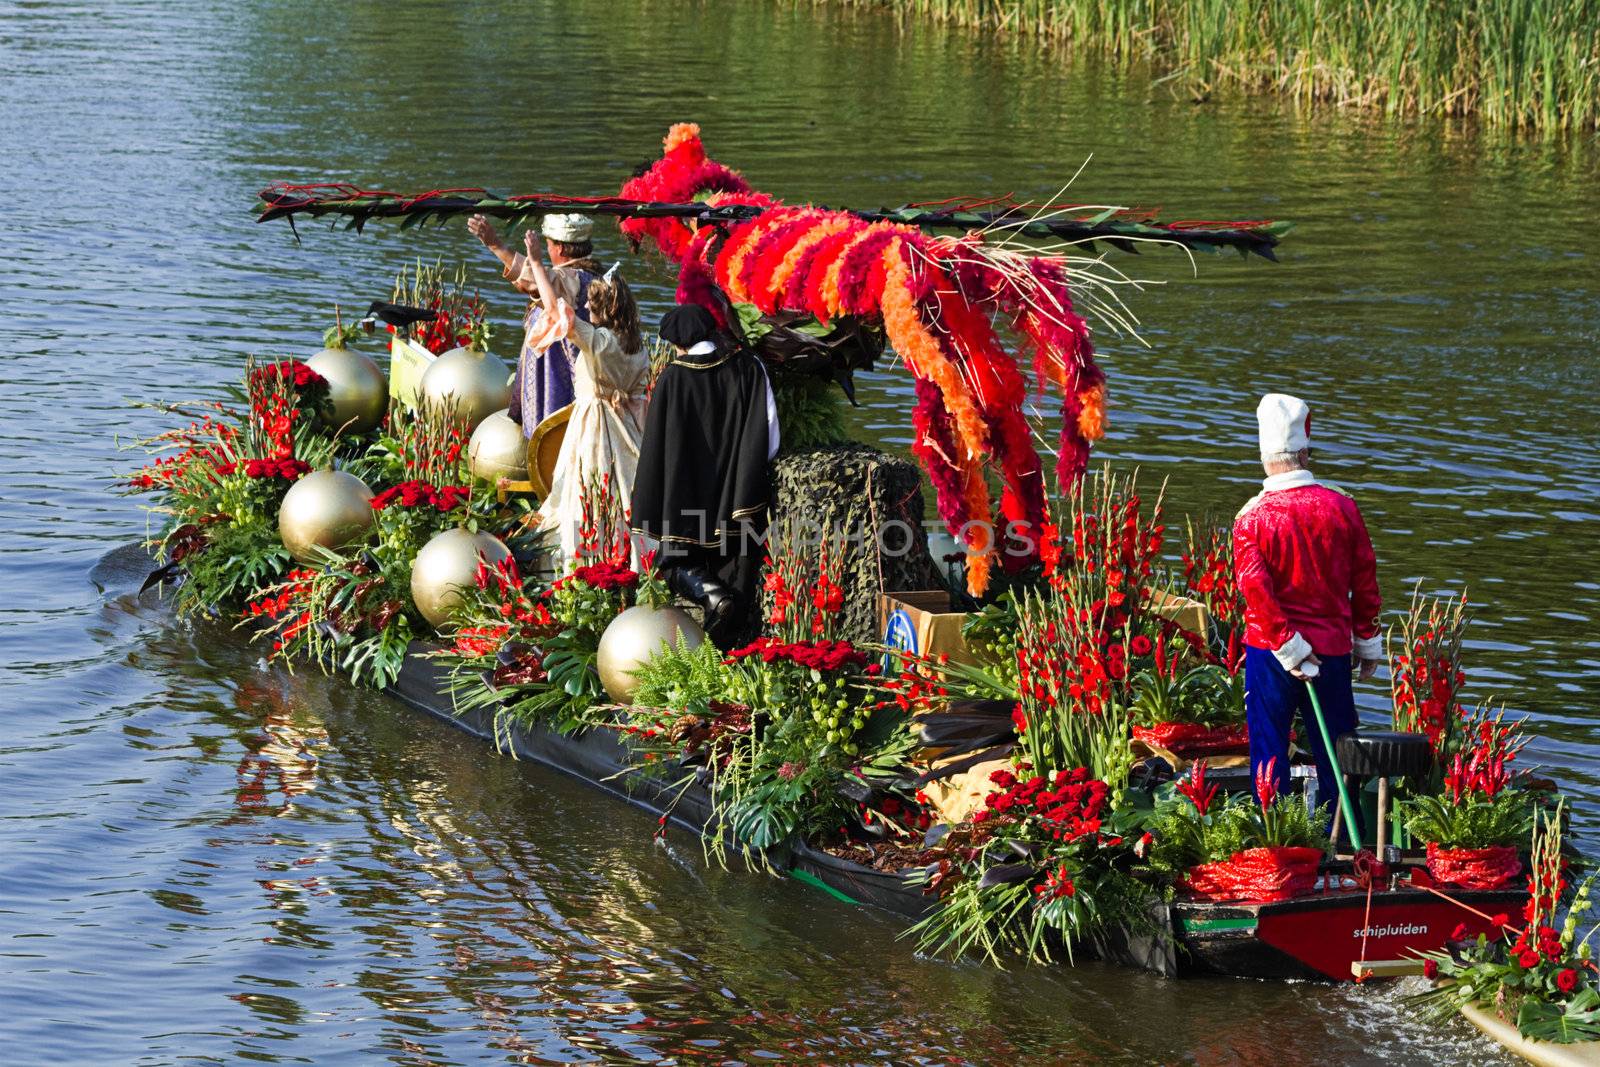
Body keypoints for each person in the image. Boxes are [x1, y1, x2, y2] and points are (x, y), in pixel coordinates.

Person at [1233, 393, 1382, 835]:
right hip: (1332, 649)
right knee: (1337, 750)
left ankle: (1277, 839)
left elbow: (1254, 590)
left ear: (1265, 457)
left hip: (1270, 652)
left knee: (1270, 748)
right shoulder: (1342, 506)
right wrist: (1366, 639)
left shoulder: (1252, 518)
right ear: (1305, 449)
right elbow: (1366, 579)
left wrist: (1287, 645)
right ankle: (1342, 838)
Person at [630, 304, 779, 642]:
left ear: (678, 343)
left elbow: (656, 444)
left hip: (686, 499)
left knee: (672, 563)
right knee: (738, 570)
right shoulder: (749, 367)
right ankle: (729, 642)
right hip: (737, 496)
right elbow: (768, 432)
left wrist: (652, 497)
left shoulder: (673, 377)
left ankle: (710, 594)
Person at [513, 231, 650, 569]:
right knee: (627, 490)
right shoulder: (638, 344)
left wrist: (534, 261)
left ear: (603, 309)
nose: (585, 307)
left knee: (586, 491)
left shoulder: (599, 342)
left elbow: (553, 310)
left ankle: (587, 561)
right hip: (631, 427)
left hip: (596, 425)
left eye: (591, 304)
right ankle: (630, 556)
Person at [467, 211, 600, 432]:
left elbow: (533, 280)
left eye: (548, 245)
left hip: (561, 381)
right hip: (576, 379)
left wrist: (495, 244)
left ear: (560, 248)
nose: (547, 250)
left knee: (554, 439)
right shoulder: (595, 276)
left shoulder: (572, 279)